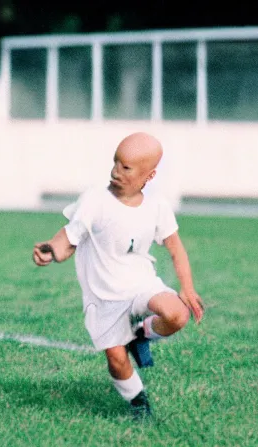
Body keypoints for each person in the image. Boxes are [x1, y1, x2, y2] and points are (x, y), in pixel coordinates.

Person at [32, 132, 204, 420]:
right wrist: (52, 250)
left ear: (148, 176)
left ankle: (140, 334)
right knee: (116, 360)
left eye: (126, 167)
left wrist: (186, 288)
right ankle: (138, 403)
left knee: (177, 314)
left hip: (140, 285)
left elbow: (176, 249)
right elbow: (68, 238)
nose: (115, 171)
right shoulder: (94, 200)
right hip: (104, 297)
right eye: (115, 163)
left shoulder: (156, 206)